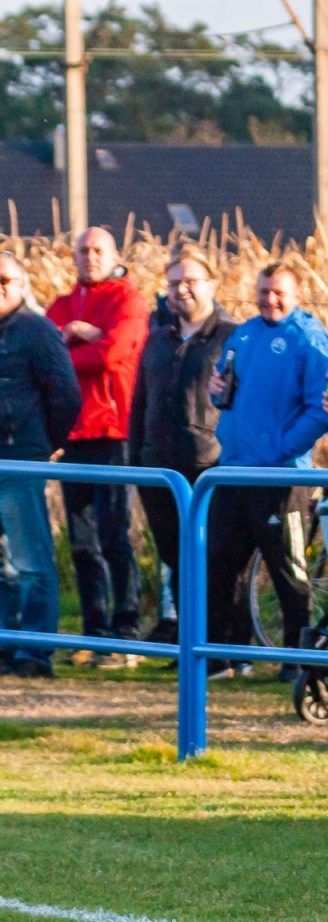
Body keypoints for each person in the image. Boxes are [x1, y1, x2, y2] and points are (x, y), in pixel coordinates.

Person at [206, 263, 328, 678]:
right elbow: (228, 393)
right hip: (234, 471)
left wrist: (282, 449)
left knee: (288, 570)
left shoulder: (308, 338)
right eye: (263, 291)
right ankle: (225, 655)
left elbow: (322, 409)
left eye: (278, 292)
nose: (270, 299)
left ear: (296, 294)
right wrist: (219, 396)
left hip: (282, 478)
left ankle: (298, 660)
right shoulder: (243, 334)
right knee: (221, 563)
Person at [45, 226, 149, 664]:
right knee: (82, 540)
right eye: (83, 250)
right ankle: (94, 631)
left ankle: (126, 633)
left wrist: (81, 341)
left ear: (114, 255)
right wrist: (81, 337)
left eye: (98, 250)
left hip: (113, 430)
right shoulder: (62, 305)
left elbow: (113, 353)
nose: (90, 257)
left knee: (114, 536)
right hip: (74, 433)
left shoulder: (127, 300)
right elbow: (44, 356)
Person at [127, 245, 234, 646]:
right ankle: (190, 642)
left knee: (212, 558)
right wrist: (137, 457)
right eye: (174, 283)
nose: (181, 290)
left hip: (207, 467)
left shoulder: (231, 336)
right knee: (176, 557)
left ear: (211, 283)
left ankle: (222, 645)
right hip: (159, 468)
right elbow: (141, 400)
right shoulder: (158, 339)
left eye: (190, 281)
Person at [0, 251, 82, 678]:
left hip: (19, 460)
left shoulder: (37, 331)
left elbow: (66, 395)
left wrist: (45, 445)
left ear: (22, 285)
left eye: (5, 280)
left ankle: (34, 651)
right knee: (3, 565)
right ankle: (5, 644)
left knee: (30, 561)